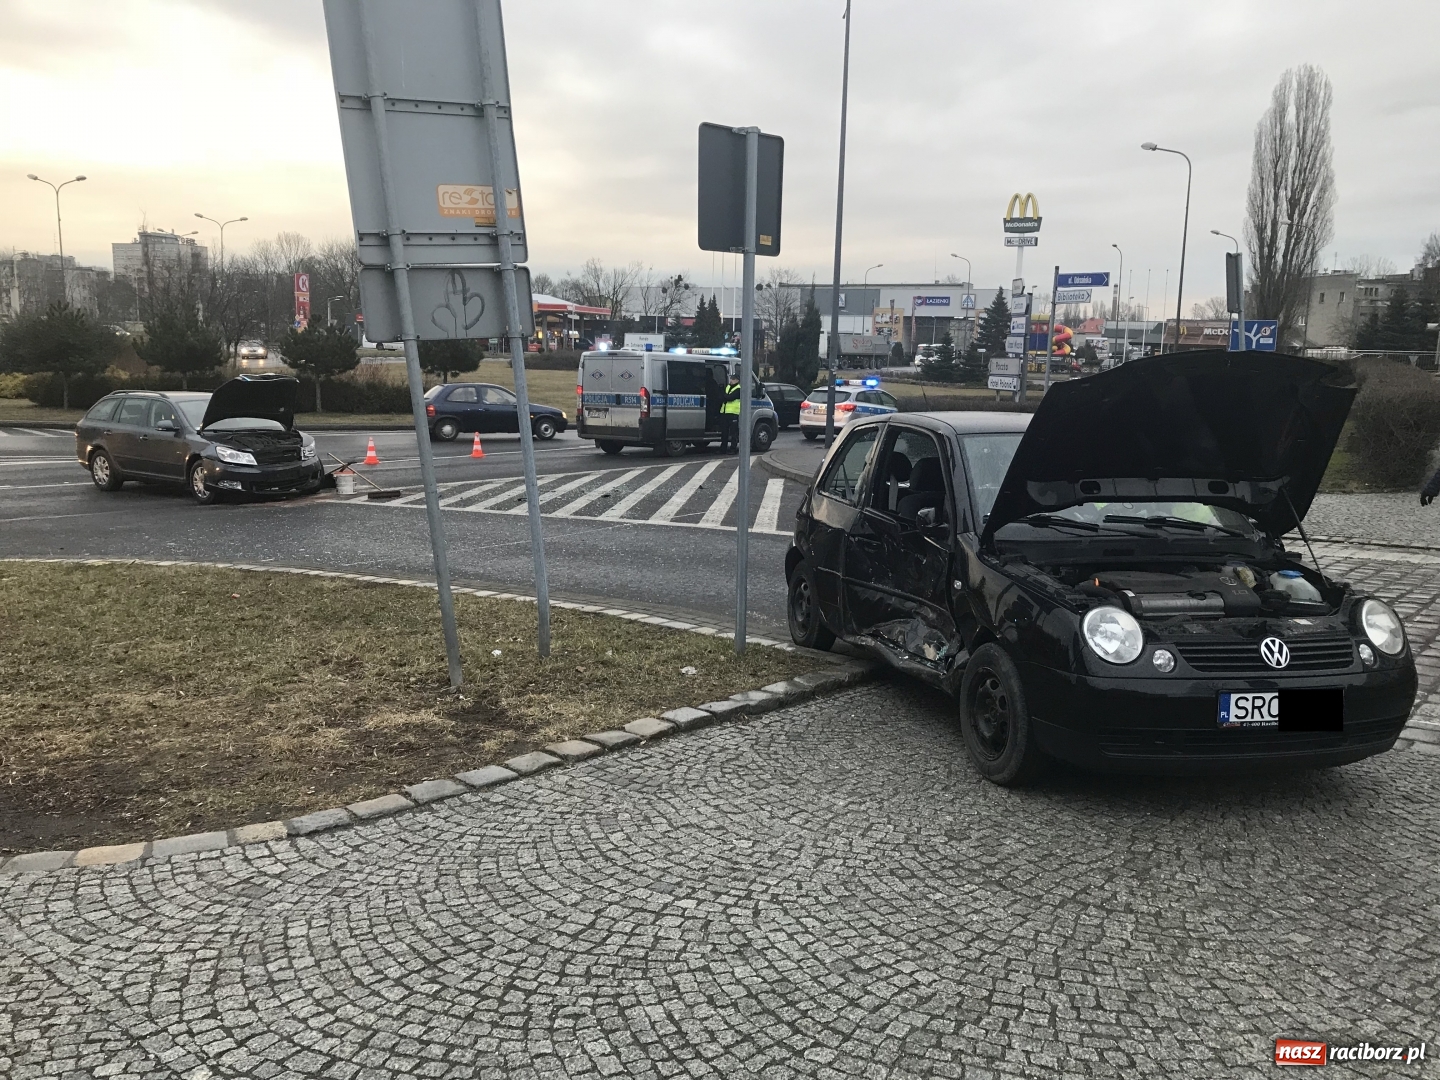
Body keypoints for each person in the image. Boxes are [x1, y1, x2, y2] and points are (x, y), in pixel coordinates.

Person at [719, 372, 742, 454]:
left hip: (733, 413)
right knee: (724, 432)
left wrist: (724, 396)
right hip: (725, 412)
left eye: (733, 379)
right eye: (731, 378)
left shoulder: (739, 389)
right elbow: (721, 397)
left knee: (733, 433)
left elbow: (730, 398)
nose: (731, 380)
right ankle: (723, 449)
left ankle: (733, 449)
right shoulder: (728, 387)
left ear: (737, 380)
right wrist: (725, 396)